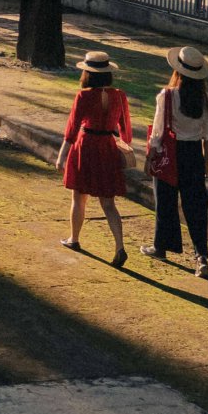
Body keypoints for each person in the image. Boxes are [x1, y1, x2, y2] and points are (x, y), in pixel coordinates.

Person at [143, 46, 208, 276]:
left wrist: (150, 156)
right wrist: (205, 162)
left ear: (178, 71)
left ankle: (162, 245)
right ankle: (201, 256)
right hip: (194, 153)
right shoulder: (207, 100)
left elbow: (157, 131)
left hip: (170, 152)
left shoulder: (166, 96)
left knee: (165, 200)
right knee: (195, 205)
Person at [57, 50, 133, 266]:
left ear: (87, 74)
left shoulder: (84, 96)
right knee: (108, 202)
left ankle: (74, 238)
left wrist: (61, 156)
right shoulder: (119, 95)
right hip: (107, 147)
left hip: (86, 145)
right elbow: (125, 129)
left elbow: (72, 128)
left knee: (78, 197)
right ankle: (120, 246)